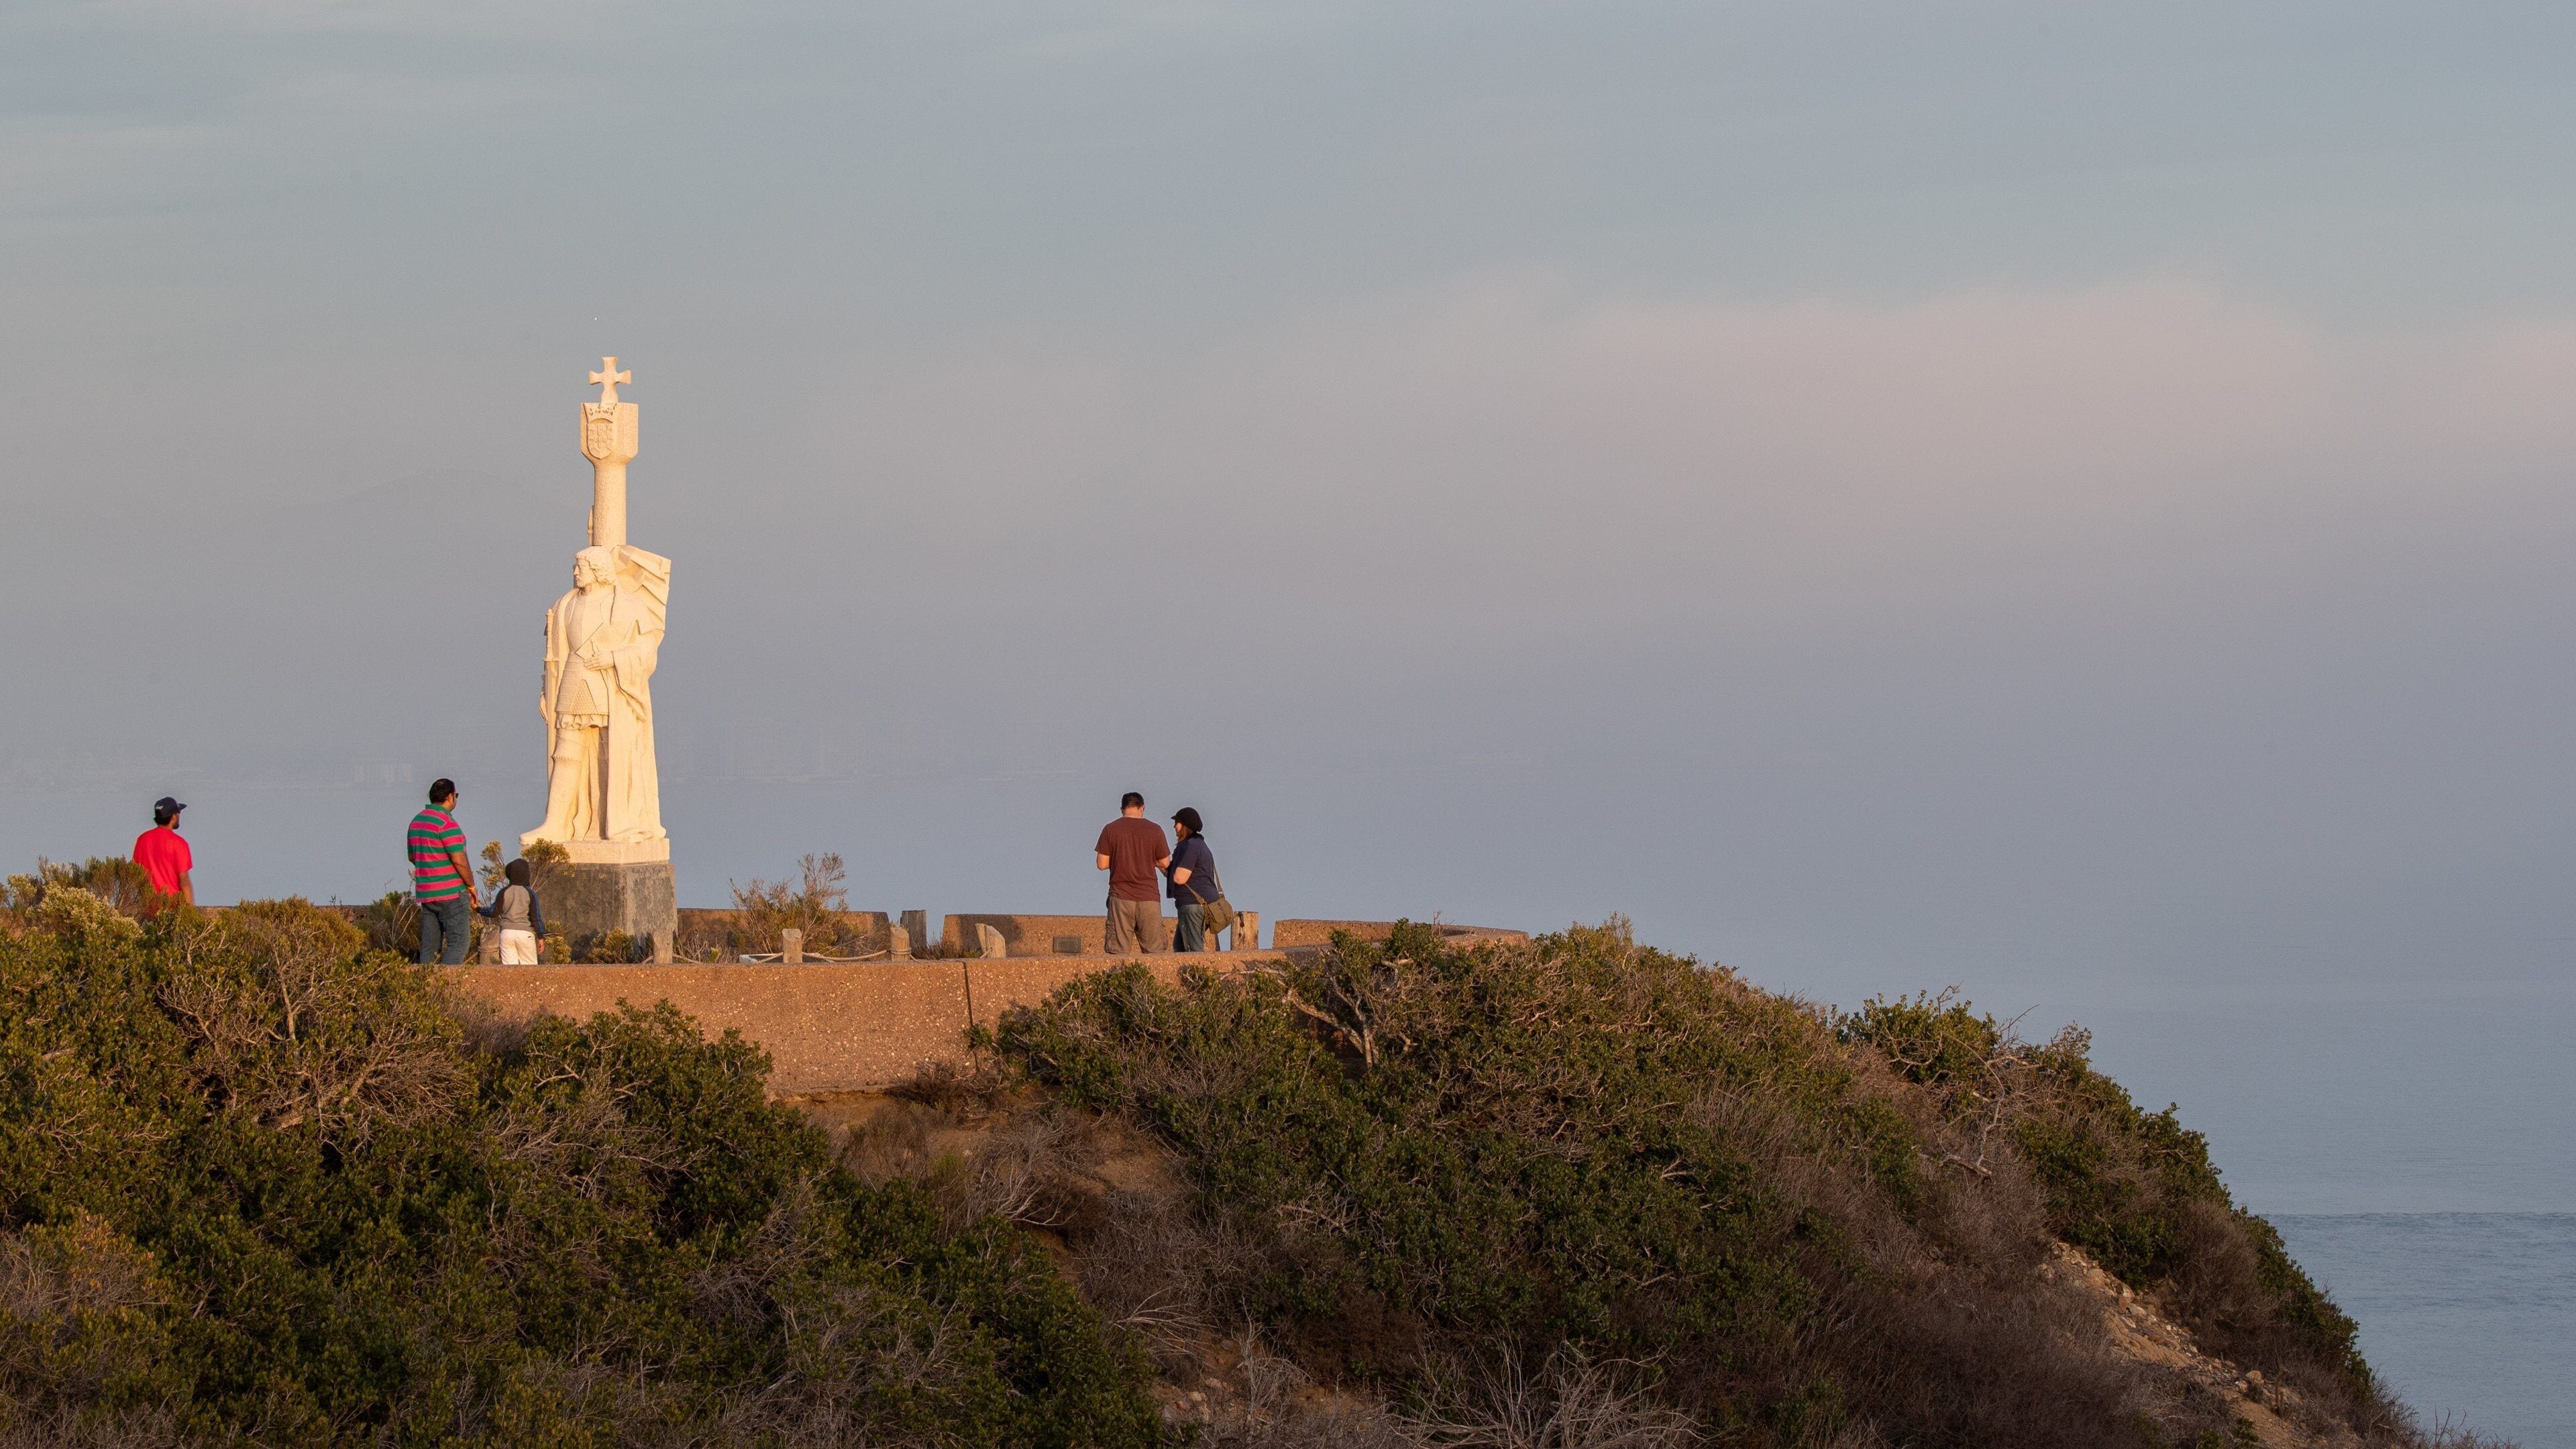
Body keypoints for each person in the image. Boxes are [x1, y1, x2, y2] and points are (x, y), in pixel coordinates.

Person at [407, 780, 478, 964]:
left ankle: (426, 987)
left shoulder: (416, 822)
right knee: (459, 942)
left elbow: (412, 857)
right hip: (451, 893)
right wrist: (471, 886)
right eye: (456, 795)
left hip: (426, 893)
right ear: (449, 797)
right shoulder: (446, 823)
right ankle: (445, 987)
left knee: (430, 947)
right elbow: (459, 860)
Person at [1095, 791, 1170, 954]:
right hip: (1149, 897)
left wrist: (1120, 858)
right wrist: (1148, 860)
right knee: (1155, 953)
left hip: (1120, 897)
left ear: (1122, 809)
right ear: (1142, 808)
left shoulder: (1110, 829)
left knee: (1118, 952)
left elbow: (1102, 864)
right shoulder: (1156, 830)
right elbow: (1165, 863)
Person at [1166, 806, 1224, 953]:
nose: (1174, 826)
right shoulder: (1200, 845)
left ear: (1185, 825)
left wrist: (1171, 870)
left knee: (1193, 950)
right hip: (1197, 904)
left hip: (1193, 905)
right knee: (1179, 947)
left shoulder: (1191, 847)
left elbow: (1180, 878)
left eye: (1177, 822)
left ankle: (1199, 974)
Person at [479, 858, 547, 964]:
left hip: (507, 934)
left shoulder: (504, 892)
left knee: (509, 970)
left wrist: (478, 909)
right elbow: (536, 917)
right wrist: (540, 937)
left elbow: (493, 912)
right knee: (530, 970)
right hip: (525, 934)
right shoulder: (530, 893)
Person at [132, 796, 194, 907]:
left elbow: (136, 873)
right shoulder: (179, 843)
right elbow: (184, 880)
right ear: (174, 816)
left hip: (147, 907)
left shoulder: (142, 840)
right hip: (172, 908)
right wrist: (190, 911)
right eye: (178, 813)